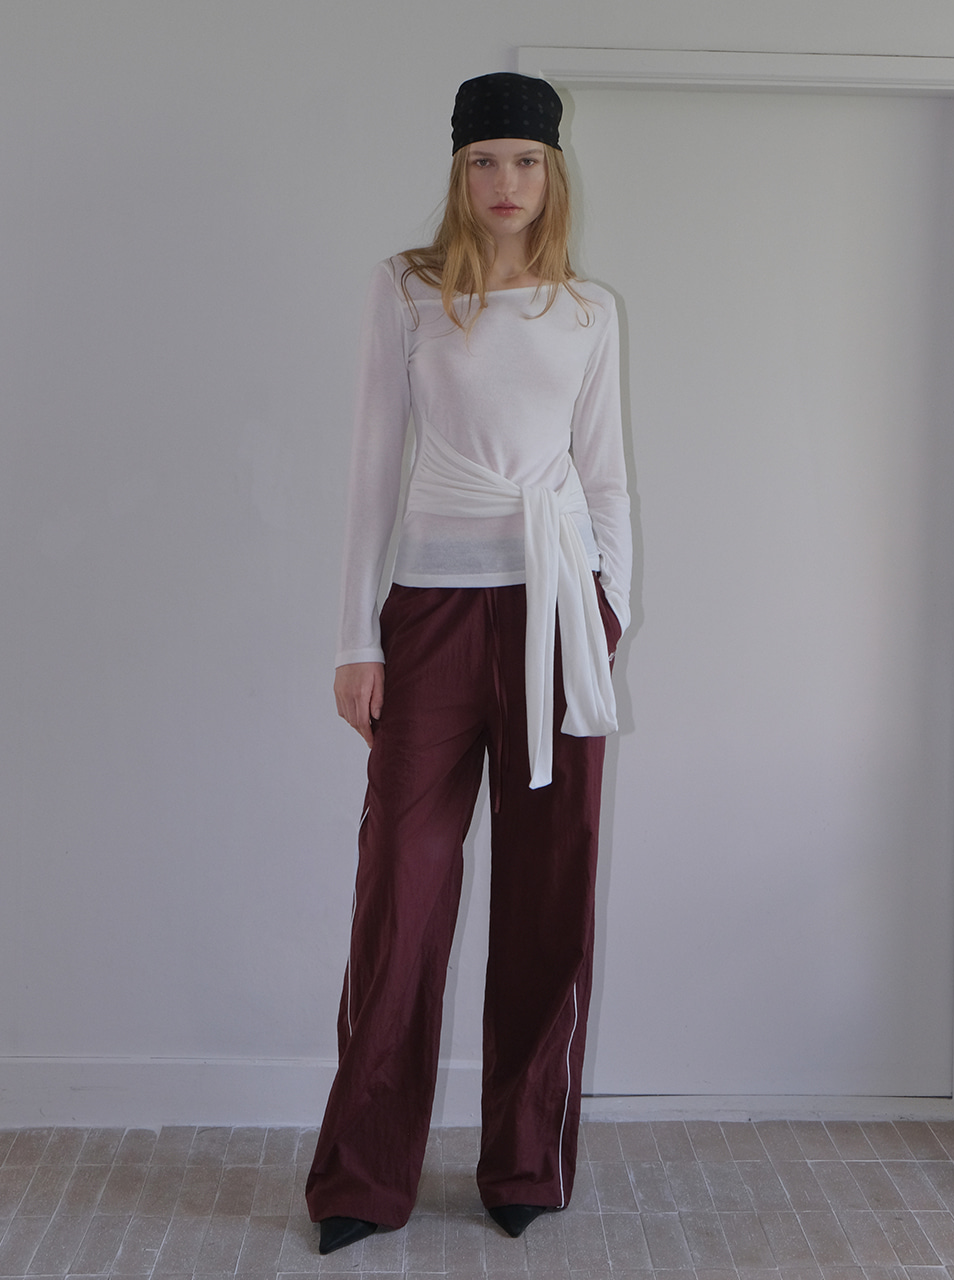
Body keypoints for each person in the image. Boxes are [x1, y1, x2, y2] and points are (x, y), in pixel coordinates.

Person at [305, 71, 632, 1257]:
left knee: (553, 889)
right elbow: (370, 463)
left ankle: (524, 1162)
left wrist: (609, 609)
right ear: (459, 170)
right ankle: (362, 1174)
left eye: (526, 161)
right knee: (401, 885)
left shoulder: (588, 311)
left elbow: (604, 477)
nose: (506, 182)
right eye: (485, 160)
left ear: (553, 173)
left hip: (558, 611)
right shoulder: (408, 288)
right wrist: (357, 637)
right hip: (433, 615)